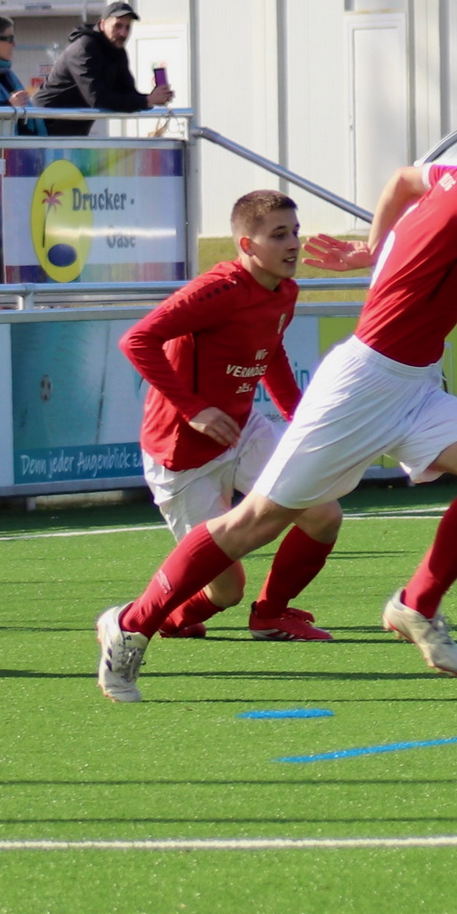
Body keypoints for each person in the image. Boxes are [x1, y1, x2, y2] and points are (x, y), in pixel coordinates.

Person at [95, 88, 457, 702]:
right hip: (364, 383)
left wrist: (376, 247)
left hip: (412, 383)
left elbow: (401, 182)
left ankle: (416, 604)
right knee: (254, 523)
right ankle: (131, 625)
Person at [119, 189, 362, 642]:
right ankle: (139, 620)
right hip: (182, 452)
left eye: (295, 232)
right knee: (226, 590)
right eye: (278, 235)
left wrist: (300, 419)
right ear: (247, 245)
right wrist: (194, 409)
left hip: (242, 431)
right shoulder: (218, 290)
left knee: (323, 513)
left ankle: (271, 615)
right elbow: (137, 340)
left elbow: (271, 352)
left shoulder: (284, 290)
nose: (293, 244)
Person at [33, 2, 172, 136]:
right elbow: (97, 98)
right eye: (118, 26)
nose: (123, 33)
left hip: (69, 132)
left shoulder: (118, 52)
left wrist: (153, 98)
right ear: (102, 24)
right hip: (41, 127)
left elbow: (127, 92)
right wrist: (146, 101)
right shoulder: (84, 48)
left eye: (127, 27)